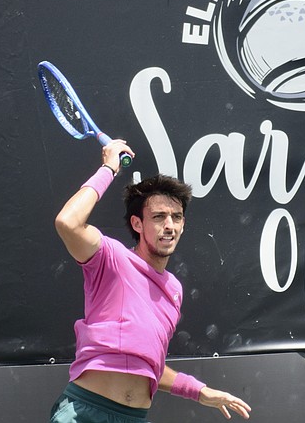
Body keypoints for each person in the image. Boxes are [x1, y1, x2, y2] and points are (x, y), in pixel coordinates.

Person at [50, 139, 252, 422]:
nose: (169, 225)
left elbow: (149, 365)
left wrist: (200, 391)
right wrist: (109, 167)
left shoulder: (174, 291)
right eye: (158, 217)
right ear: (137, 224)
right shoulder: (110, 257)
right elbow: (67, 222)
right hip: (85, 412)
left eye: (176, 217)